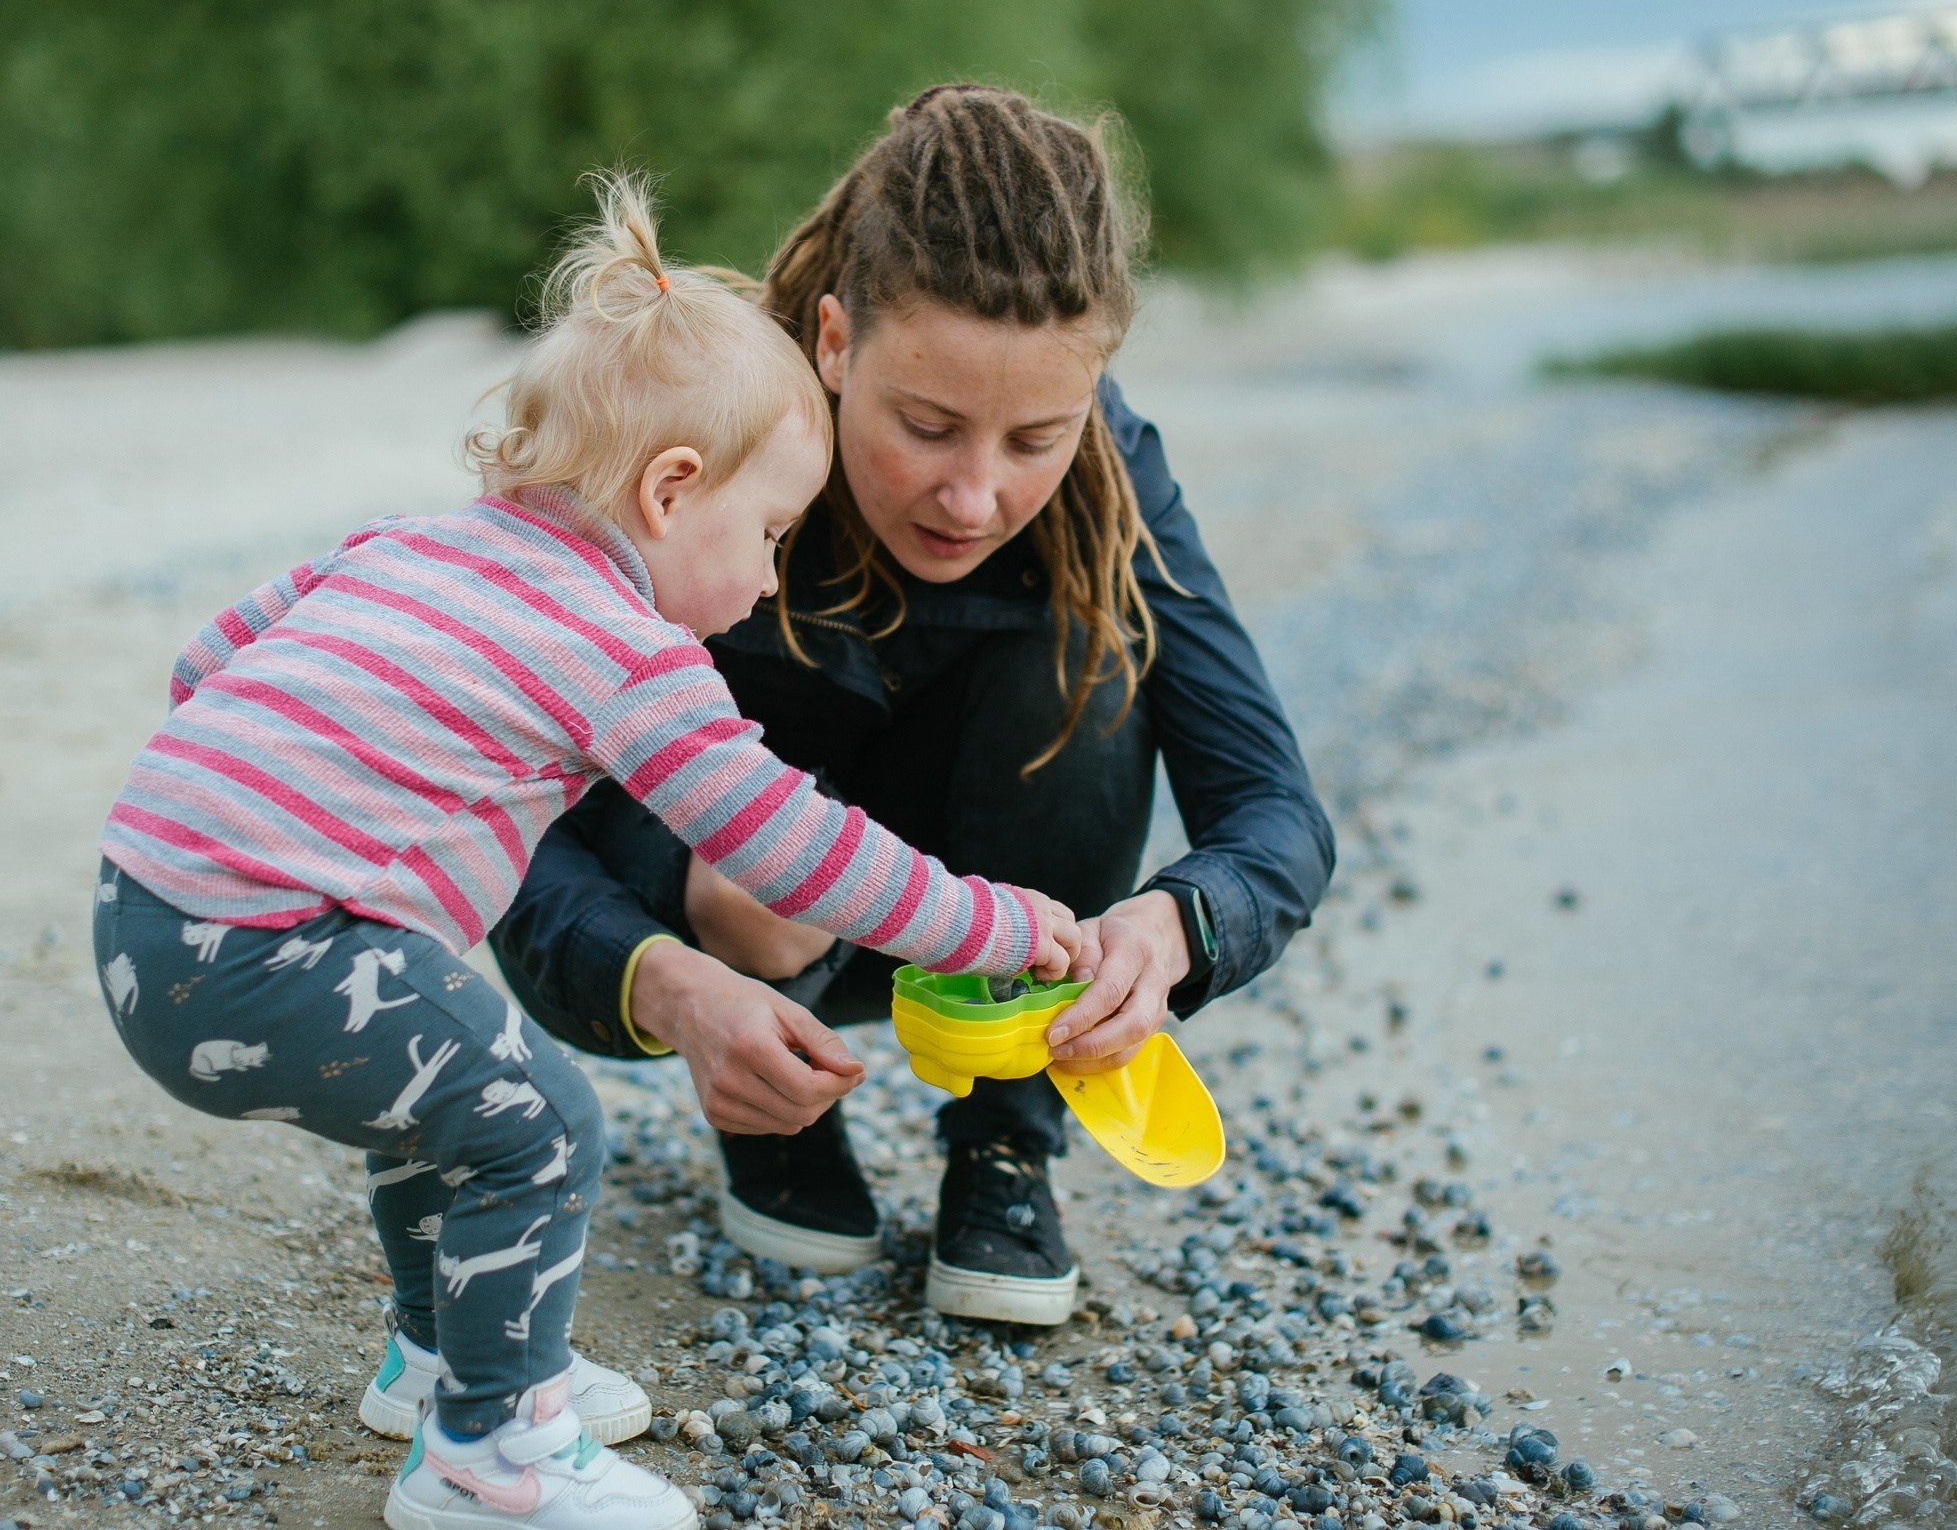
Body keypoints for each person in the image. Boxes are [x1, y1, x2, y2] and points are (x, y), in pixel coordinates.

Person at [87, 173, 1086, 1530]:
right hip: (258, 949)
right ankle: (490, 1459)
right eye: (774, 532)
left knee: (441, 1084)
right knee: (543, 1123)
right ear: (674, 490)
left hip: (143, 913)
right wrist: (988, 922)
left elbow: (206, 660)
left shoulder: (409, 541)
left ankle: (440, 1358)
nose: (773, 577)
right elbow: (795, 850)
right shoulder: (629, 650)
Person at [492, 85, 1336, 1328]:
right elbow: (497, 821)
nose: (974, 495)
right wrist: (666, 980)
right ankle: (778, 1105)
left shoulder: (1112, 469)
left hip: (995, 933)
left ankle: (1005, 1139)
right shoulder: (688, 416)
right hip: (729, 912)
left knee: (1099, 643)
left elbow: (1274, 806)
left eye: (1035, 435)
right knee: (739, 853)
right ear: (834, 343)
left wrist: (1175, 927)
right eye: (926, 425)